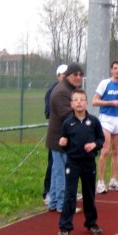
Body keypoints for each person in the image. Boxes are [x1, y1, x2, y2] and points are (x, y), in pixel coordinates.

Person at [57, 89, 105, 235]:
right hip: (73, 163)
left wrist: (94, 145)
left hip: (89, 163)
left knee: (89, 194)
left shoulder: (94, 121)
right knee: (70, 194)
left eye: (82, 99)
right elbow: (64, 144)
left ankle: (91, 223)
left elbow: (101, 139)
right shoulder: (67, 123)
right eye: (76, 100)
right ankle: (65, 227)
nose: (79, 102)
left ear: (87, 103)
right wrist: (62, 143)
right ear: (71, 104)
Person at [46, 63, 85, 212]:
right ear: (68, 75)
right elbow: (68, 116)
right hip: (60, 140)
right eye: (75, 74)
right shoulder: (62, 91)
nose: (78, 77)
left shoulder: (68, 89)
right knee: (63, 173)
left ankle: (54, 202)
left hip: (61, 139)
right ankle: (63, 205)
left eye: (80, 74)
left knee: (57, 172)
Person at [93, 60, 118, 193]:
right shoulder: (105, 83)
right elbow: (94, 101)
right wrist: (111, 102)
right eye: (115, 68)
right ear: (111, 70)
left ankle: (113, 180)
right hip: (106, 119)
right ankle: (100, 182)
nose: (117, 70)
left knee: (116, 151)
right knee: (105, 150)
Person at [43, 64, 68, 204]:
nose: (66, 77)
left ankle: (56, 197)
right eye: (63, 75)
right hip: (57, 134)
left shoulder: (70, 90)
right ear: (58, 76)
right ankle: (50, 194)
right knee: (55, 166)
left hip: (67, 133)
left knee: (63, 166)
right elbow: (49, 112)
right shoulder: (53, 92)